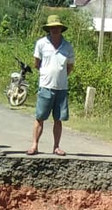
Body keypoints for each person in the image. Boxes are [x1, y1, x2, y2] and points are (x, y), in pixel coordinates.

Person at [29, 15, 75, 156]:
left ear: (61, 29)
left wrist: (60, 76)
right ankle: (34, 145)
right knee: (40, 117)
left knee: (58, 119)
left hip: (61, 87)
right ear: (48, 29)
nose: (55, 29)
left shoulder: (67, 46)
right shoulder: (41, 43)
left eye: (57, 27)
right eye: (52, 27)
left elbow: (70, 67)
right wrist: (46, 74)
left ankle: (56, 146)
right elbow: (37, 63)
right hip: (45, 86)